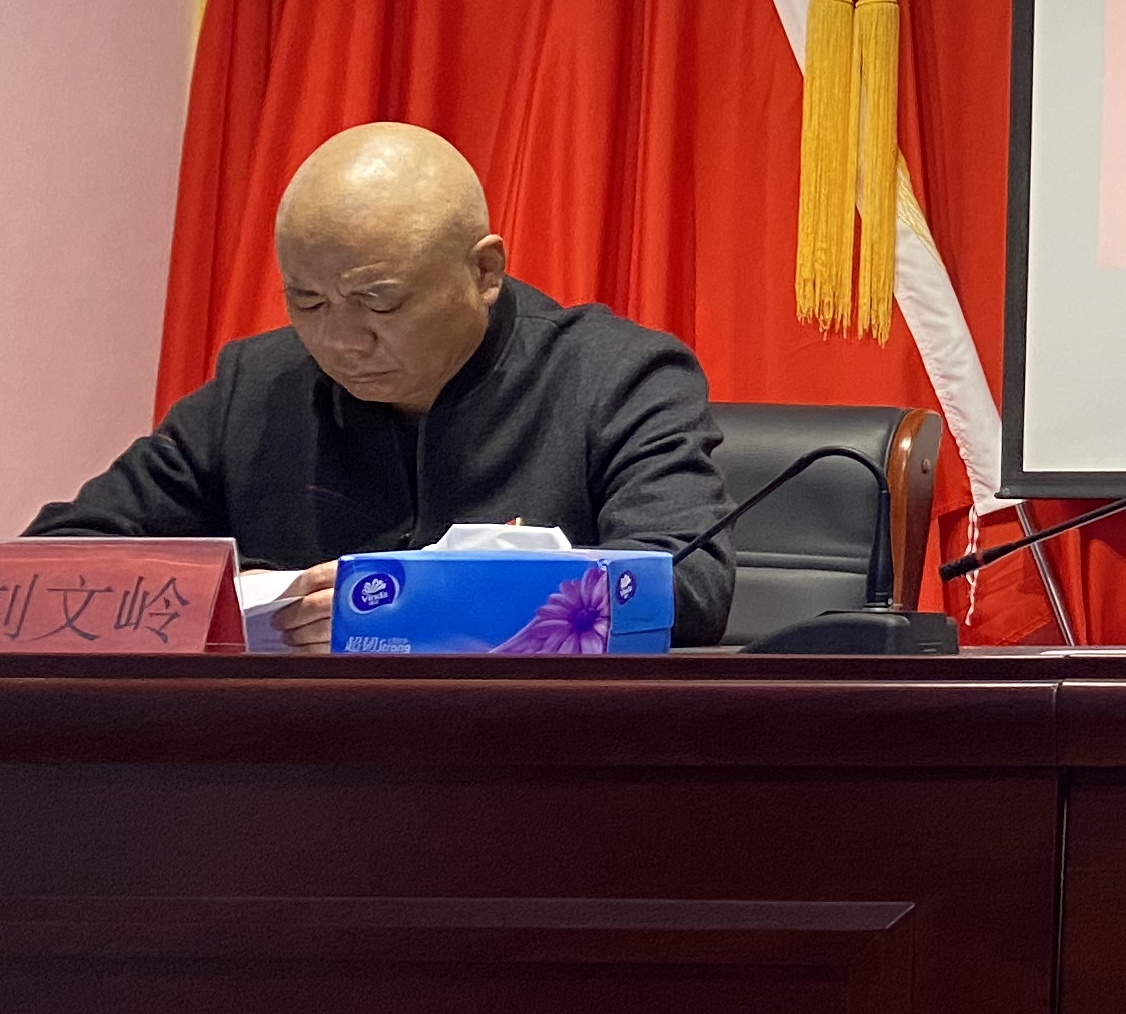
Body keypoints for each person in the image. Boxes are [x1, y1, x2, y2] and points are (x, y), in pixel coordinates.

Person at [32, 122, 735, 647]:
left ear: (484, 272)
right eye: (307, 301)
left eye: (380, 302)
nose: (340, 340)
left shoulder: (615, 377)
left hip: (528, 760)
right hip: (295, 763)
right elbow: (54, 567)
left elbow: (685, 585)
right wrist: (239, 601)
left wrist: (409, 607)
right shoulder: (258, 386)